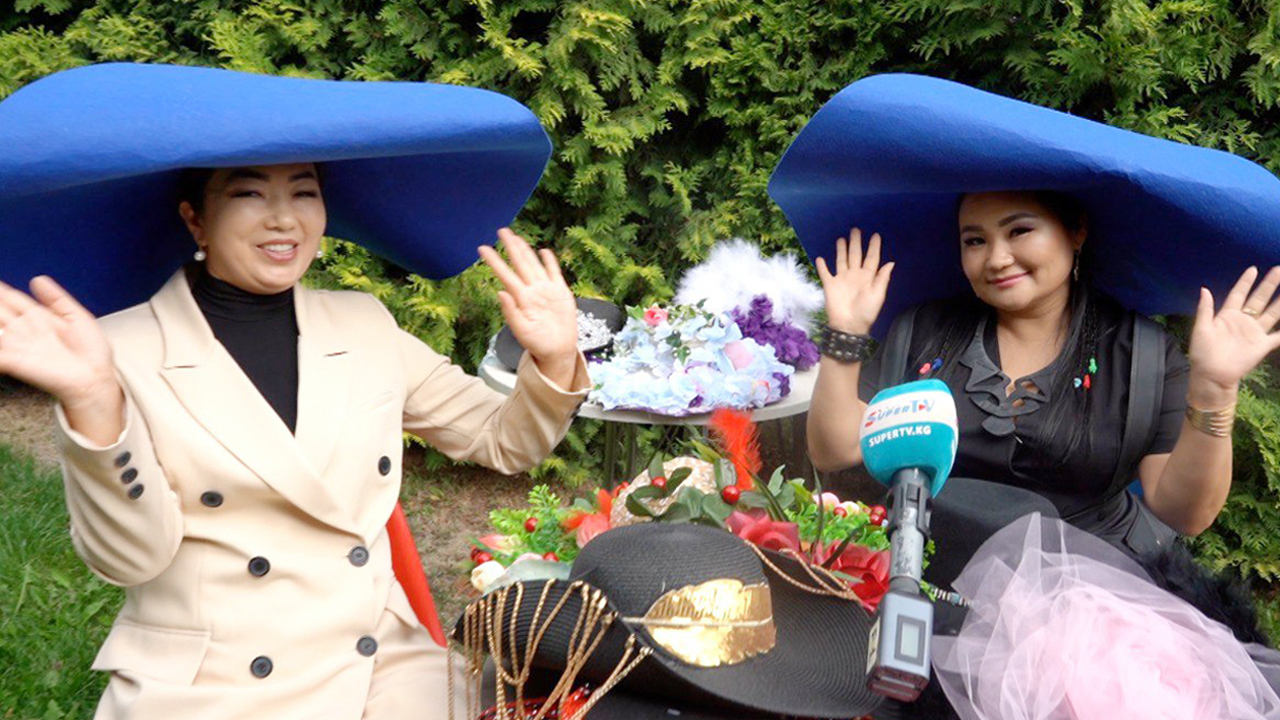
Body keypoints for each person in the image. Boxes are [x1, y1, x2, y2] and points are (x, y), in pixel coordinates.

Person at [0, 162, 589, 719]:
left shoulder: (363, 323)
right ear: (195, 219)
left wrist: (555, 356)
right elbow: (132, 559)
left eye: (304, 192)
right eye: (249, 193)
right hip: (214, 681)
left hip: (381, 666)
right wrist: (95, 404)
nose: (284, 218)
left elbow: (504, 441)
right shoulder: (114, 351)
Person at [806, 190, 1280, 547]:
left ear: (1076, 231)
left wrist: (1215, 390)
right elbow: (835, 449)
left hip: (1090, 600)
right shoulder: (924, 333)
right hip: (930, 572)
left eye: (1019, 231)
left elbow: (1185, 514)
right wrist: (846, 332)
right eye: (975, 240)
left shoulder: (1142, 356)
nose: (997, 258)